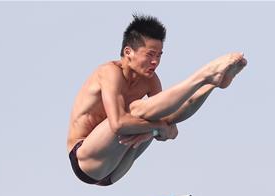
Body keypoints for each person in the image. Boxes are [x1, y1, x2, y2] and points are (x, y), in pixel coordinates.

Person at [66, 14, 247, 186]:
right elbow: (118, 124)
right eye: (150, 55)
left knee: (156, 116)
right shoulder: (109, 72)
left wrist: (154, 131)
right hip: (86, 161)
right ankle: (204, 75)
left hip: (116, 169)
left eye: (159, 55)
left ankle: (211, 84)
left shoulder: (150, 80)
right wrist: (157, 128)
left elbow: (171, 129)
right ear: (128, 52)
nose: (155, 62)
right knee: (136, 110)